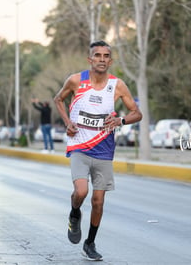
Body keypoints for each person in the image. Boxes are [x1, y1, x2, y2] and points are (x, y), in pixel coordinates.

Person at [54, 40, 142, 260]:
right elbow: (58, 99)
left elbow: (136, 113)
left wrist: (120, 121)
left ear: (110, 61)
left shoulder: (117, 85)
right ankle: (75, 214)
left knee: (98, 201)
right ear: (90, 59)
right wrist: (67, 122)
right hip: (79, 148)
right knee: (81, 192)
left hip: (104, 150)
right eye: (98, 55)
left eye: (106, 56)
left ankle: (90, 243)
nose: (102, 60)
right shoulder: (76, 80)